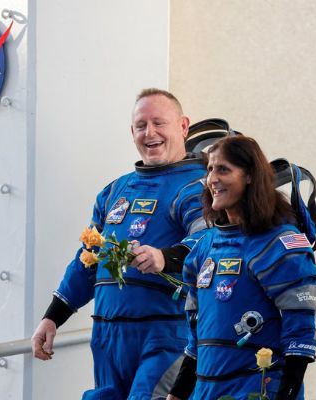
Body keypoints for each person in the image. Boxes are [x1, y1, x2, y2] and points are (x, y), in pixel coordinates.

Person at [31, 88, 207, 400]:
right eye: (141, 126)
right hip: (109, 338)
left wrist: (165, 257)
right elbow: (88, 259)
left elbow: (207, 242)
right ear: (132, 132)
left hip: (166, 337)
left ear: (183, 126)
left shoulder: (199, 187)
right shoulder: (115, 191)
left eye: (159, 123)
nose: (149, 133)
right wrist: (52, 316)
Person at [167, 136, 316, 400]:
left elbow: (302, 328)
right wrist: (177, 393)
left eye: (223, 169)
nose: (212, 179)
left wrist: (285, 394)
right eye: (209, 170)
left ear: (250, 176)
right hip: (205, 392)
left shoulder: (279, 242)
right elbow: (196, 336)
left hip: (256, 390)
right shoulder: (204, 246)